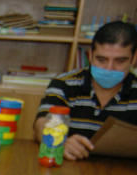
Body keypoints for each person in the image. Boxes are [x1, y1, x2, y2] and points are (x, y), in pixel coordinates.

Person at [33, 21, 137, 160]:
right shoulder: (64, 83)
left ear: (134, 58)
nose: (109, 68)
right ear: (90, 55)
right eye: (101, 59)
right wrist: (60, 142)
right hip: (69, 166)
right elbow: (41, 123)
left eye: (120, 61)